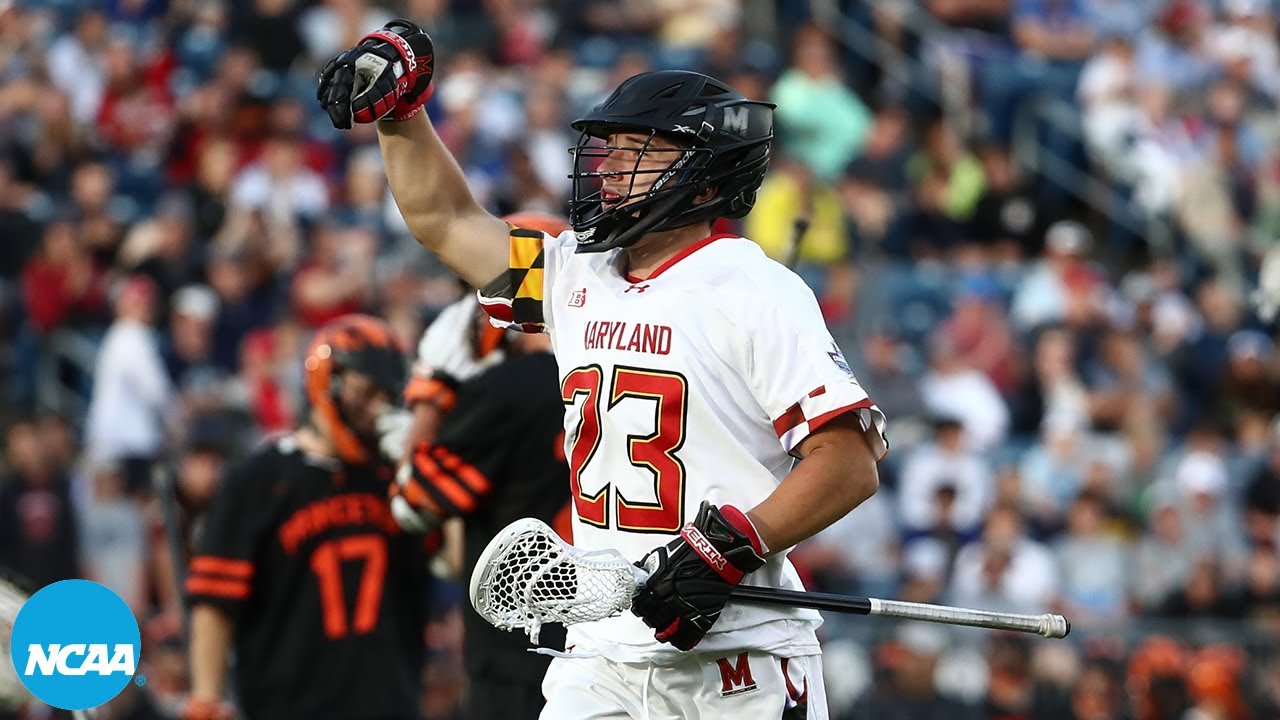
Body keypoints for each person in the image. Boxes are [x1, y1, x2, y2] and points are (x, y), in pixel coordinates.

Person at [318, 23, 887, 718]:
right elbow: (442, 217)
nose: (609, 168)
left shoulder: (754, 290)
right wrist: (401, 113)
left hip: (738, 654)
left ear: (704, 168)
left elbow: (848, 462)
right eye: (607, 149)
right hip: (600, 650)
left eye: (636, 151)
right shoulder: (574, 276)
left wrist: (730, 548)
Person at [183, 314, 430, 720]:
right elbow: (214, 602)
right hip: (288, 703)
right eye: (365, 393)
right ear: (327, 383)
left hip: (389, 703)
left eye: (385, 396)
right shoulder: (259, 481)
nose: (377, 411)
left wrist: (429, 468)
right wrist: (206, 699)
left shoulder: (395, 475)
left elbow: (450, 563)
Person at [395, 210, 573, 720]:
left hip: (521, 655)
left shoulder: (505, 390)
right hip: (618, 648)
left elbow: (413, 503)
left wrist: (433, 391)